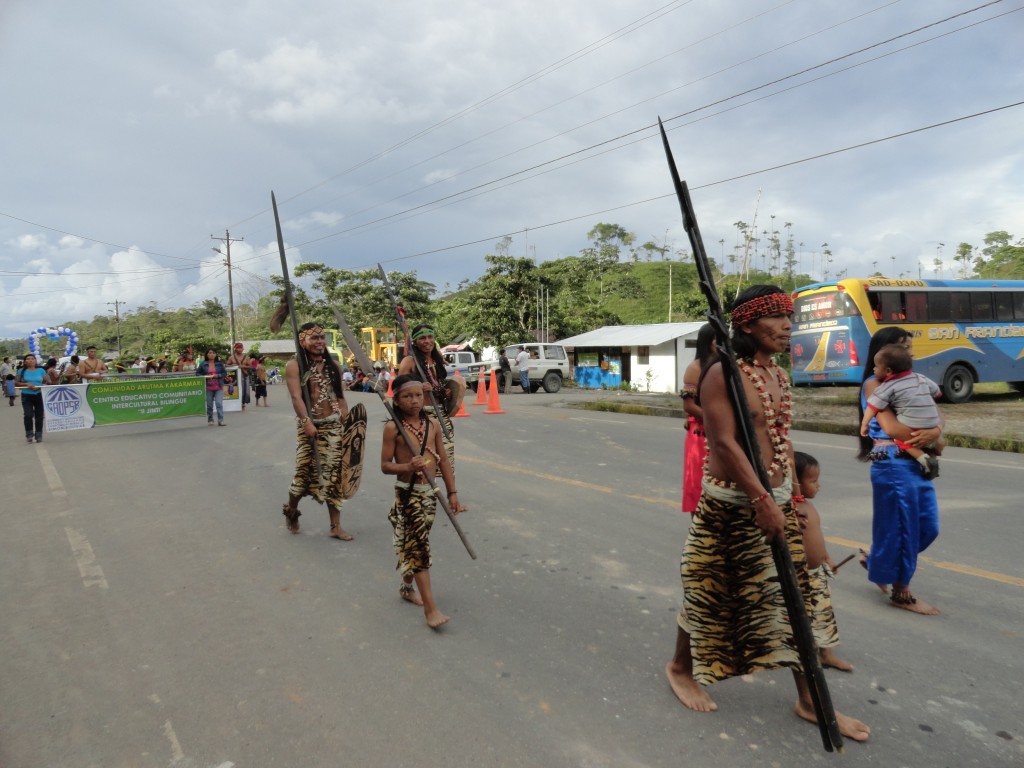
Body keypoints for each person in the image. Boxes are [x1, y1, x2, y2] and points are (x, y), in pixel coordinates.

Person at [665, 285, 869, 742]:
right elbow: (724, 444)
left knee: (793, 593)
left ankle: (809, 698)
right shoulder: (723, 374)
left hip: (774, 499)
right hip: (730, 504)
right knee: (710, 589)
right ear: (748, 324)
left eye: (789, 318)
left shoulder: (775, 374)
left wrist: (792, 496)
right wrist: (760, 500)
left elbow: (781, 437)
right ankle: (680, 667)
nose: (787, 327)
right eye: (776, 318)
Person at [857, 327, 942, 614]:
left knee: (928, 527)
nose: (911, 353)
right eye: (904, 347)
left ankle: (879, 561)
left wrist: (937, 432)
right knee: (906, 529)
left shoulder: (913, 382)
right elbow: (892, 428)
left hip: (914, 463)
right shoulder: (875, 383)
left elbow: (936, 414)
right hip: (892, 461)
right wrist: (931, 435)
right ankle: (901, 591)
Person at [381, 374, 465, 628]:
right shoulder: (393, 428)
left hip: (430, 494)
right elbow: (384, 466)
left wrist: (453, 493)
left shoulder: (433, 426)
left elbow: (443, 462)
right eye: (407, 396)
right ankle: (431, 610)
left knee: (416, 542)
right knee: (418, 549)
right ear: (397, 400)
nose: (415, 401)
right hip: (407, 494)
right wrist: (407, 465)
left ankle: (407, 587)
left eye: (418, 395)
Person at [282, 322, 367, 540]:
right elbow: (296, 397)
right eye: (314, 338)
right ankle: (291, 511)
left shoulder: (334, 367)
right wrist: (306, 422)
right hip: (308, 426)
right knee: (302, 476)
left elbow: (340, 398)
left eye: (322, 337)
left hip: (333, 427)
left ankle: (335, 526)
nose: (320, 341)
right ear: (303, 341)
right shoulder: (294, 366)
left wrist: (347, 424)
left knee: (334, 476)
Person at [793, 451, 854, 672]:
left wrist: (827, 558)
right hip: (798, 576)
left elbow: (817, 538)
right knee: (800, 618)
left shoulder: (809, 507)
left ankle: (826, 653)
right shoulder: (791, 510)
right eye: (814, 481)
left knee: (824, 614)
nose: (818, 486)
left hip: (816, 573)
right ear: (795, 481)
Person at [859, 344, 943, 479]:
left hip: (905, 437)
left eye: (876, 367)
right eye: (907, 347)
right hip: (931, 421)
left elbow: (875, 407)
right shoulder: (919, 377)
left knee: (902, 441)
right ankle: (934, 448)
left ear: (888, 370)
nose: (912, 353)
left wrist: (864, 424)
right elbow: (937, 392)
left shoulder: (887, 386)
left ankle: (924, 459)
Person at [397, 324, 464, 471]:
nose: (427, 341)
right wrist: (418, 387)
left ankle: (451, 493)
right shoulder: (409, 361)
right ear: (414, 341)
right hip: (420, 417)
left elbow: (438, 385)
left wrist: (445, 391)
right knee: (424, 463)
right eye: (422, 338)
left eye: (430, 337)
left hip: (441, 414)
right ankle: (425, 492)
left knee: (446, 460)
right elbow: (398, 390)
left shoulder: (437, 359)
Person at [680, 324, 717, 515]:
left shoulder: (726, 366)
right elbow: (689, 406)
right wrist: (716, 420)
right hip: (701, 433)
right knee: (698, 479)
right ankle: (698, 526)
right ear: (708, 342)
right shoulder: (695, 369)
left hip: (722, 432)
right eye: (717, 339)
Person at [16, 353, 46, 443]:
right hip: (26, 395)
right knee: (28, 415)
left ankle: (39, 434)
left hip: (39, 395)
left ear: (35, 360)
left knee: (39, 416)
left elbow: (48, 381)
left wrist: (40, 386)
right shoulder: (21, 371)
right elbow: (16, 383)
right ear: (25, 362)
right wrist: (26, 384)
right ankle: (29, 434)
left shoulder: (41, 370)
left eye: (32, 359)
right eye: (28, 359)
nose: (30, 360)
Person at [196, 349, 227, 426]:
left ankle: (221, 420)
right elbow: (197, 373)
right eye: (210, 353)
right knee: (209, 405)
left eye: (213, 353)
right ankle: (210, 419)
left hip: (218, 386)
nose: (212, 354)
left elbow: (224, 373)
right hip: (208, 387)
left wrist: (218, 375)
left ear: (216, 354)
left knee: (219, 403)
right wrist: (204, 376)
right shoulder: (203, 364)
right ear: (207, 354)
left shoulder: (219, 364)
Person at [226, 343, 251, 410]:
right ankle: (235, 403)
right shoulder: (231, 357)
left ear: (243, 349)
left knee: (244, 390)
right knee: (235, 390)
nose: (239, 349)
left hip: (244, 376)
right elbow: (226, 365)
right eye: (238, 348)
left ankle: (243, 404)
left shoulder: (246, 357)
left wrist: (243, 366)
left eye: (241, 348)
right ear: (235, 349)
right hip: (235, 377)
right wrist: (233, 366)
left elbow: (250, 366)